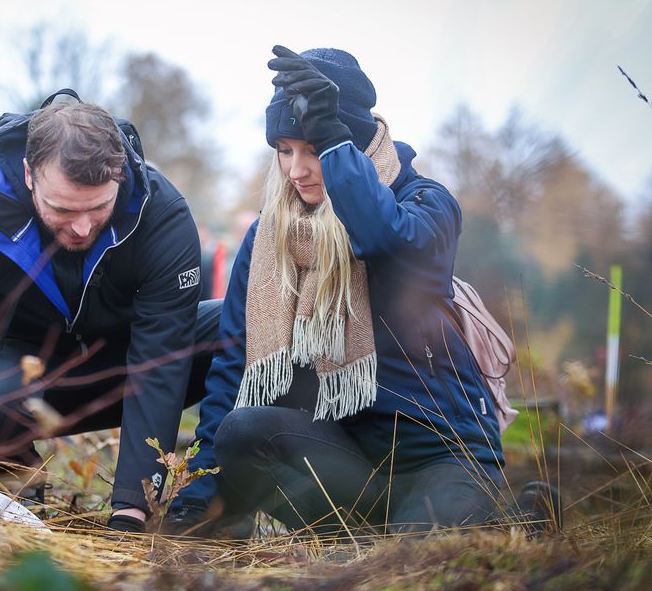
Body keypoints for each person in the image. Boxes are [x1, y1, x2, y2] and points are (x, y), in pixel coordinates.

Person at [168, 46, 519, 537]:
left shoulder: (427, 205)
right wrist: (199, 501)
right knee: (244, 430)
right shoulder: (269, 238)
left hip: (438, 458)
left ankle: (520, 516)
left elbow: (388, 242)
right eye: (286, 150)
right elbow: (232, 372)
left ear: (348, 144)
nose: (297, 170)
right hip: (348, 466)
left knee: (418, 560)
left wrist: (334, 142)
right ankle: (340, 535)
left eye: (314, 150)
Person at [0, 92, 220, 533]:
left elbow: (159, 365)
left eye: (98, 208)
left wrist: (132, 506)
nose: (83, 227)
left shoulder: (162, 214)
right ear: (30, 174)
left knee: (233, 323)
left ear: (120, 174)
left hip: (122, 366)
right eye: (63, 209)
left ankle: (210, 504)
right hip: (19, 371)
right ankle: (18, 481)